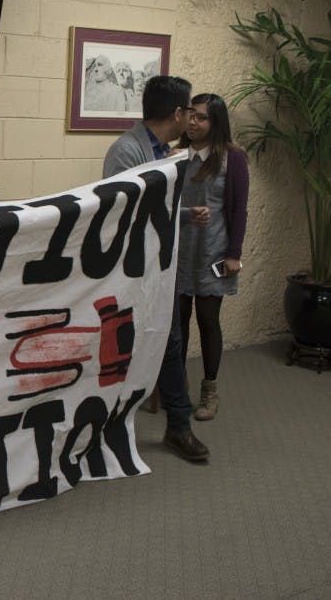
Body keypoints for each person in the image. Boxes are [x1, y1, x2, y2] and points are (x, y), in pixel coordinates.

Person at [103, 75, 211, 463]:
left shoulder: (163, 152)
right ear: (177, 113)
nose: (193, 120)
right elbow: (120, 213)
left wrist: (183, 214)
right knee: (119, 351)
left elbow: (155, 209)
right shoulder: (126, 152)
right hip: (131, 270)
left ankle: (179, 428)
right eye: (190, 112)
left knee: (170, 344)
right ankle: (102, 429)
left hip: (159, 269)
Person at [175, 93, 249, 420]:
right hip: (177, 251)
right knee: (177, 324)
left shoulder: (232, 158)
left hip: (212, 250)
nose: (193, 121)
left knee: (207, 321)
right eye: (191, 114)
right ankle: (177, 388)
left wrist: (234, 254)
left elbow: (238, 209)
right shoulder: (174, 156)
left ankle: (210, 391)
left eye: (201, 116)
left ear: (215, 122)